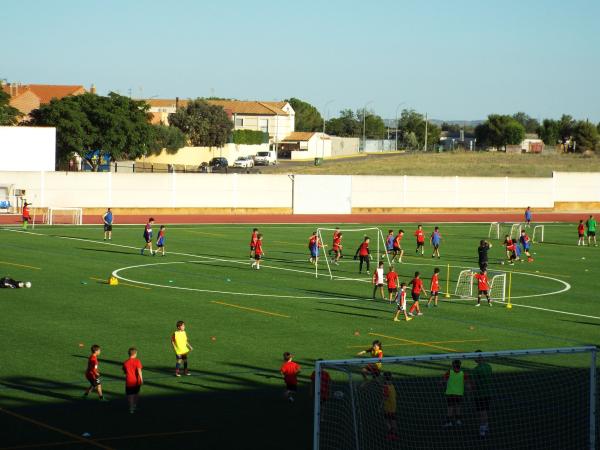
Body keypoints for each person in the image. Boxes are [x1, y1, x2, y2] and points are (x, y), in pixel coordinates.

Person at [471, 350, 492, 437]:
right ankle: (486, 426)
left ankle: (482, 429)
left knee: (481, 412)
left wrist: (471, 390)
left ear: (479, 358)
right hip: (488, 393)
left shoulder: (476, 370)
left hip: (480, 394)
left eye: (475, 357)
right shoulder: (489, 367)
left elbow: (474, 384)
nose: (474, 358)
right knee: (485, 411)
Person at [443, 359, 468, 427]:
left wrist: (441, 383)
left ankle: (449, 422)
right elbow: (466, 383)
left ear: (452, 365)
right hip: (459, 394)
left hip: (450, 393)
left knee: (450, 408)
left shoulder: (449, 372)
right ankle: (458, 421)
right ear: (460, 365)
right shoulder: (463, 373)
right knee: (458, 407)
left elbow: (444, 380)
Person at [122, 347, 143, 414]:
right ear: (135, 353)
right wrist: (141, 379)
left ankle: (131, 408)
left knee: (130, 395)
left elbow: (124, 371)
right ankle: (134, 405)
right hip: (137, 381)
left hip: (129, 381)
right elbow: (139, 370)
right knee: (136, 394)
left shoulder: (125, 362)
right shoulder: (137, 361)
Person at [382, 372, 399, 441]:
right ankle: (395, 435)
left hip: (388, 406)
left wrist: (381, 405)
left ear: (384, 378)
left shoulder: (385, 387)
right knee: (393, 420)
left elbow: (385, 397)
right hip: (393, 405)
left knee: (387, 420)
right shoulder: (391, 385)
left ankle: (391, 435)